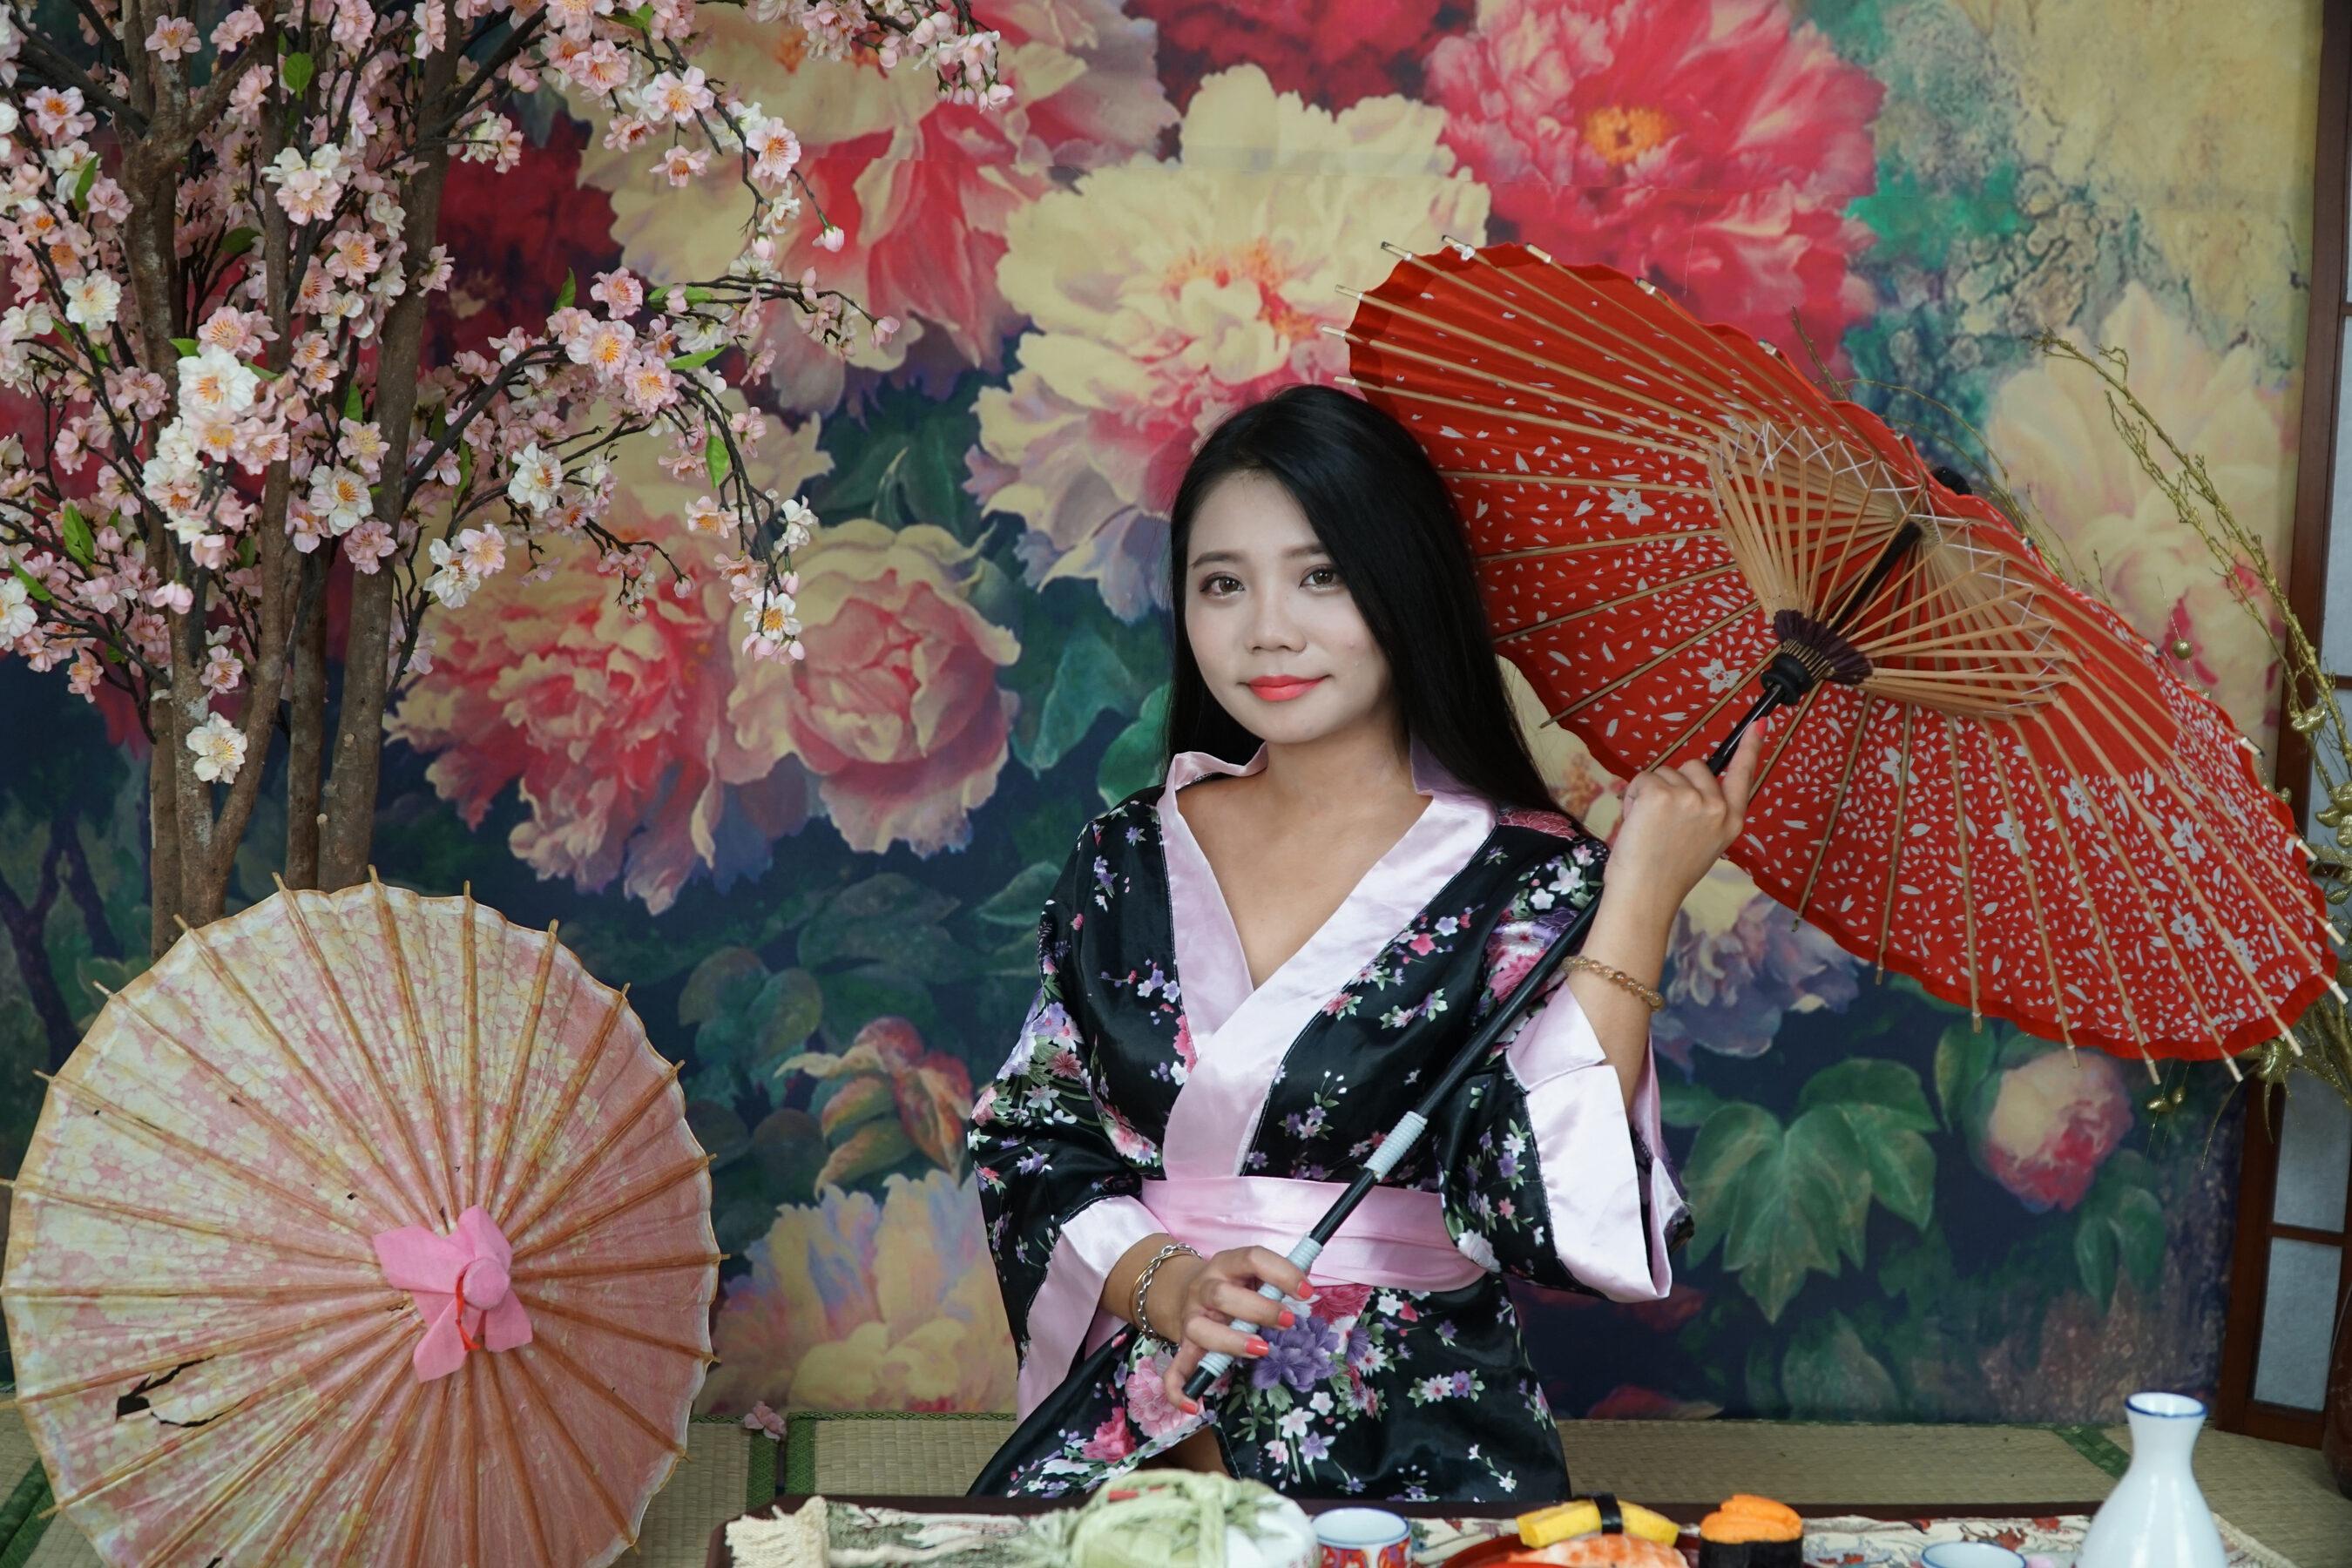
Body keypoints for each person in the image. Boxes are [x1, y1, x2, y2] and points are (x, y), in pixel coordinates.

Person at [967, 384, 1756, 1503]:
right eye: (1223, 584)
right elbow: (1030, 1137)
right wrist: (1167, 1283)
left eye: (1322, 576)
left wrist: (1639, 899)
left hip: (1417, 1441)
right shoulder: (1125, 854)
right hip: (1151, 1422)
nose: (1268, 630)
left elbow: (1545, 1212)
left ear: (1406, 585)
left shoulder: (1530, 879)